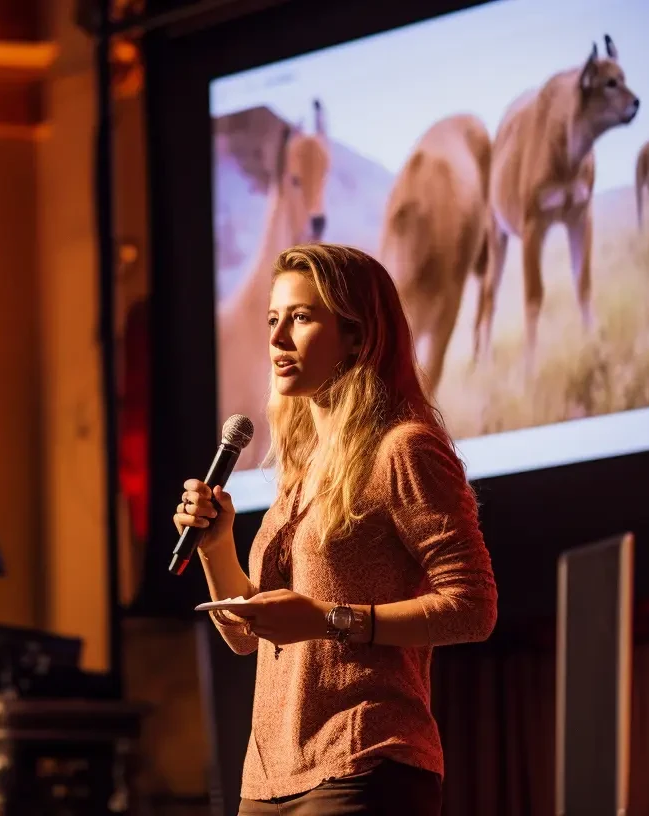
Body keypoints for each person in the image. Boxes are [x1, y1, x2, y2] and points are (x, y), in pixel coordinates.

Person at [175, 243, 497, 815]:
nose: (277, 339)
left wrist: (327, 618)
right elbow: (246, 635)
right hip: (269, 778)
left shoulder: (404, 449)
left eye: (300, 318)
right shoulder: (302, 470)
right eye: (272, 319)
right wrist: (216, 546)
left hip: (364, 761)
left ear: (357, 335)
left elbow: (473, 607)